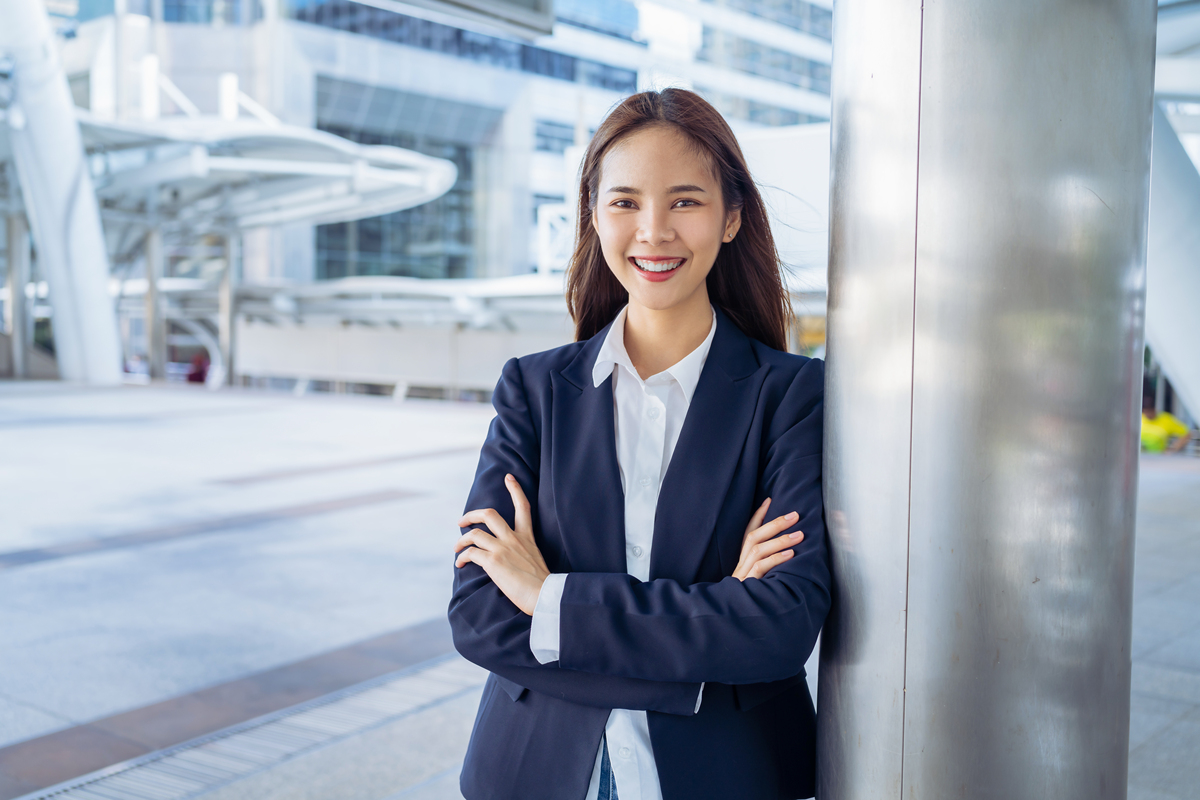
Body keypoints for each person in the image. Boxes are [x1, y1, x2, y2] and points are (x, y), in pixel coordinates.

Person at [448, 88, 829, 800]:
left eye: (684, 201)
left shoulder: (792, 396)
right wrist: (710, 618)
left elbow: (780, 627)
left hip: (726, 773)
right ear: (593, 216)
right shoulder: (534, 392)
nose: (653, 232)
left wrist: (549, 598)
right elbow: (479, 615)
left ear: (731, 217)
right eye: (624, 203)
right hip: (539, 773)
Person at [1142, 385, 1191, 454]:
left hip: (1159, 458)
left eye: (1149, 411)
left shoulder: (1166, 419)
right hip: (1141, 457)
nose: (1147, 414)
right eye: (1145, 412)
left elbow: (1187, 433)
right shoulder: (1139, 419)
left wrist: (1173, 449)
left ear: (1154, 410)